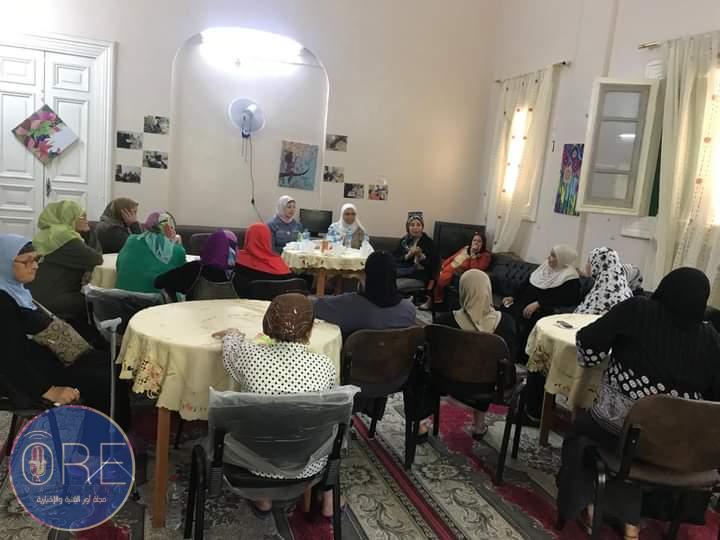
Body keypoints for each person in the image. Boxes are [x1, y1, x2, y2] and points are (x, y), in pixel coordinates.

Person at [557, 268, 720, 539]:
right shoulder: (712, 339)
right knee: (634, 445)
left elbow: (588, 343)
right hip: (679, 447)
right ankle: (630, 519)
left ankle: (592, 506)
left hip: (618, 430)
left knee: (581, 434)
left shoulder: (637, 310)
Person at [215, 293, 337, 518]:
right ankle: (329, 496)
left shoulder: (249, 356)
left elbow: (230, 352)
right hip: (308, 463)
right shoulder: (324, 365)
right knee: (333, 428)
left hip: (253, 462)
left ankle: (263, 499)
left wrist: (232, 334)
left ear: (266, 324)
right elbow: (329, 413)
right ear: (310, 330)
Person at [0, 234, 129, 428]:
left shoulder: (15, 291)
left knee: (112, 363)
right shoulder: (3, 302)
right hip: (29, 375)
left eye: (36, 259)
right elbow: (9, 358)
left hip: (44, 357)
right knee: (105, 378)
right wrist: (49, 390)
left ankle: (116, 429)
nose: (35, 266)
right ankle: (105, 436)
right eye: (27, 261)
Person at [434, 269, 517, 439]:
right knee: (489, 368)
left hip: (449, 382)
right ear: (488, 289)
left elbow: (434, 356)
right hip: (491, 387)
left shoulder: (444, 322)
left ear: (462, 290)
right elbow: (510, 359)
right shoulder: (507, 323)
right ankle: (479, 425)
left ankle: (420, 424)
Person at [502, 244, 580, 421]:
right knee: (505, 311)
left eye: (554, 256)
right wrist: (512, 296)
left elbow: (565, 299)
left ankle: (522, 356)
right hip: (524, 305)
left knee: (530, 318)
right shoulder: (543, 268)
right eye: (550, 255)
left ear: (563, 259)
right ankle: (508, 353)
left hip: (544, 312)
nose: (549, 259)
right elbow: (525, 286)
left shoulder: (570, 278)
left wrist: (539, 303)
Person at [28, 201, 103, 325]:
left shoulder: (46, 234)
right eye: (82, 217)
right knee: (96, 302)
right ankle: (83, 336)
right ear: (68, 218)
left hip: (35, 295)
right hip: (54, 297)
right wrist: (88, 233)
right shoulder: (66, 239)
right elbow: (96, 259)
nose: (87, 220)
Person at [313, 251, 417, 339]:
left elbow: (312, 307)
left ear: (367, 275)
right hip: (396, 357)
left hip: (355, 357)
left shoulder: (349, 304)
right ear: (394, 276)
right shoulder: (409, 310)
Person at [155, 229, 238, 300]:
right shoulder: (240, 275)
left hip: (195, 314)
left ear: (209, 246)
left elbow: (159, 282)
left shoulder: (192, 270)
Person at [116, 211, 186, 293]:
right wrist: (177, 245)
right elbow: (184, 279)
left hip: (121, 298)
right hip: (157, 300)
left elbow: (118, 265)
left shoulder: (131, 240)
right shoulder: (177, 251)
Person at [233, 223, 294, 297]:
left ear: (248, 238)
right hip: (277, 303)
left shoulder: (237, 261)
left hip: (248, 303)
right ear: (268, 239)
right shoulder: (280, 264)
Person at [432, 231, 492, 305]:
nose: (476, 243)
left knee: (438, 279)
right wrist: (443, 265)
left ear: (483, 243)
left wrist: (473, 255)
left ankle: (435, 301)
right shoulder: (466, 248)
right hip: (449, 267)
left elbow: (475, 270)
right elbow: (453, 257)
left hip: (455, 272)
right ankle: (431, 299)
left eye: (479, 241)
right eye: (474, 240)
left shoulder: (485, 256)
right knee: (433, 273)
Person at [575, 247, 633, 315]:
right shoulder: (626, 290)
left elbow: (582, 316)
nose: (586, 265)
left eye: (589, 262)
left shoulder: (601, 292)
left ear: (596, 265)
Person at [394, 214, 438, 283]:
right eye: (412, 225)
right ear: (408, 228)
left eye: (418, 225)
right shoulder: (404, 241)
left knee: (392, 272)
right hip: (404, 267)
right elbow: (395, 257)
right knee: (388, 268)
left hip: (420, 272)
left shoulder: (428, 242)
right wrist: (408, 255)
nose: (415, 228)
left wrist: (421, 256)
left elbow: (434, 264)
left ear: (422, 227)